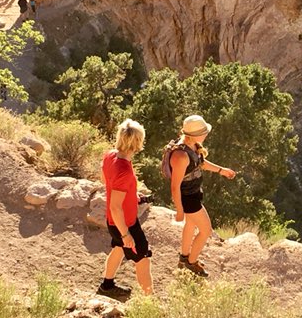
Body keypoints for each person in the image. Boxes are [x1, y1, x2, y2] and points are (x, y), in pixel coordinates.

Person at [166, 114, 236, 277]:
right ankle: (191, 262)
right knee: (206, 231)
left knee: (191, 226)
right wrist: (180, 210)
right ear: (195, 135)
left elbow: (200, 163)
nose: (206, 134)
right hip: (188, 198)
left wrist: (221, 170)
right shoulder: (180, 156)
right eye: (204, 132)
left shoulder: (191, 146)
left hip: (194, 193)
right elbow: (175, 186)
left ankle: (184, 258)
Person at [98, 119, 153, 297]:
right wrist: (126, 234)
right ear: (138, 142)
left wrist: (131, 195)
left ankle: (107, 286)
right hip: (125, 223)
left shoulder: (110, 156)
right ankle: (149, 303)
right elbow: (116, 207)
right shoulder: (125, 171)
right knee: (143, 259)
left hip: (113, 221)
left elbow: (106, 181)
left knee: (118, 248)